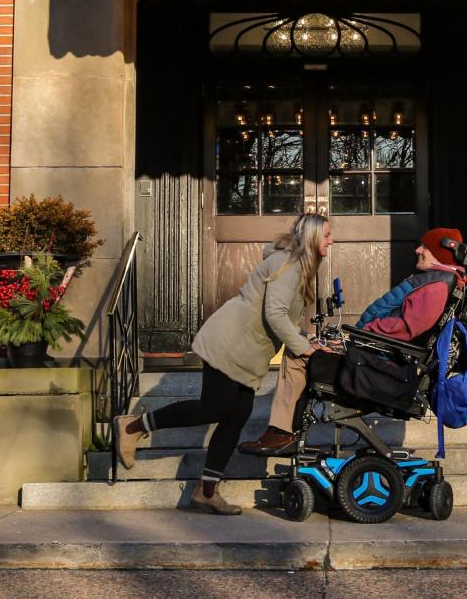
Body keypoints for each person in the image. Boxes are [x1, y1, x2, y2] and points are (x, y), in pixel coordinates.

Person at [114, 213, 333, 515]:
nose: (330, 241)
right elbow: (275, 315)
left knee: (237, 413)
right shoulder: (291, 266)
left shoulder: (297, 267)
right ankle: (133, 426)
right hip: (229, 342)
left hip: (245, 350)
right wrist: (305, 349)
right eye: (326, 235)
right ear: (311, 238)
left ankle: (207, 492)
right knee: (214, 408)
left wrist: (309, 340)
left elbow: (286, 319)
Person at [238, 227, 466, 457]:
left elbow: (405, 329)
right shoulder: (439, 282)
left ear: (442, 252)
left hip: (378, 363)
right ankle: (285, 432)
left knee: (297, 355)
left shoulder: (435, 286)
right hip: (374, 353)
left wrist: (357, 336)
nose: (418, 250)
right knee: (309, 348)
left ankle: (282, 434)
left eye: (425, 247)